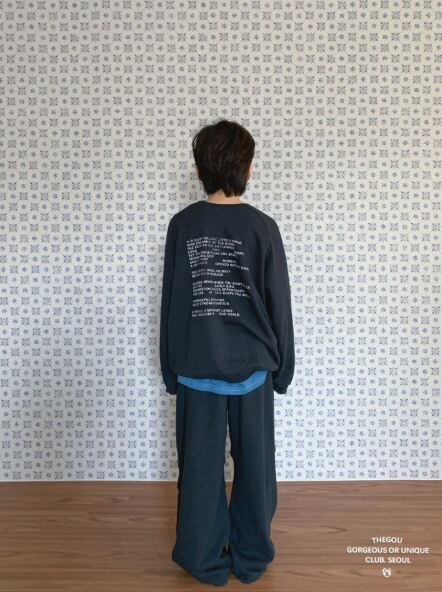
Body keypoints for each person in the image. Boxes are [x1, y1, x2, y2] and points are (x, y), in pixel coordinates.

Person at [160, 118, 295, 587]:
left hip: (196, 368)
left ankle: (202, 557)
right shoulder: (263, 227)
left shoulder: (183, 225)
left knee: (199, 470)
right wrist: (284, 369)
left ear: (199, 170)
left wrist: (170, 369)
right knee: (256, 468)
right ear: (249, 169)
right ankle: (251, 556)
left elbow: (172, 303)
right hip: (253, 367)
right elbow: (279, 303)